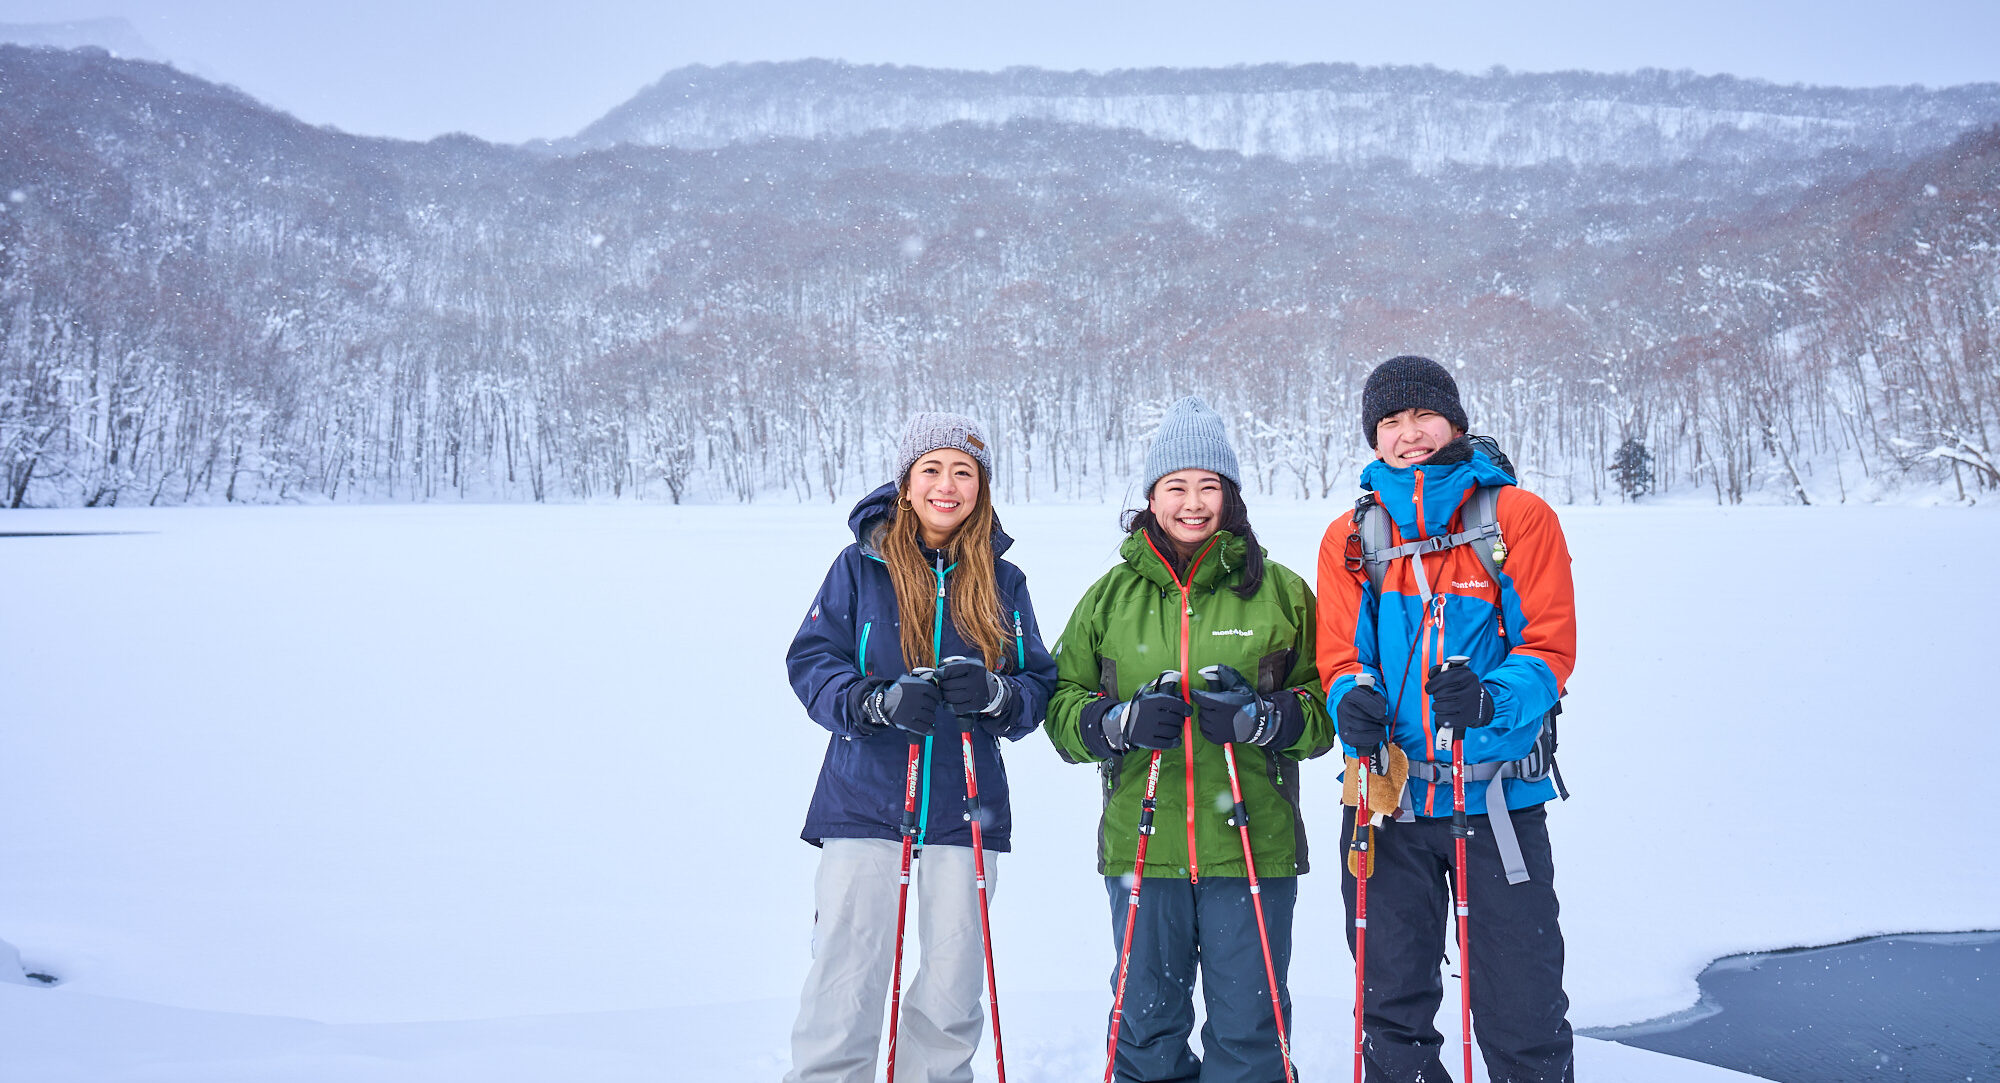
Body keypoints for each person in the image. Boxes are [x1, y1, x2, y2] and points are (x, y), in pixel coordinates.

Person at [1045, 396, 1335, 1083]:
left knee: (1251, 1030)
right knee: (1145, 1029)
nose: (1193, 502)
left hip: (1252, 846)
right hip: (1143, 848)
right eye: (1176, 486)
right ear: (1152, 497)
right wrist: (1116, 724)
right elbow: (1060, 707)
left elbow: (1328, 707)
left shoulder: (1282, 592)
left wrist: (1263, 718)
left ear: (1229, 495)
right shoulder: (1108, 599)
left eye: (1209, 486)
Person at [1316, 355, 1578, 1082]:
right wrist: (1352, 700)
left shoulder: (1518, 518)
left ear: (1454, 422)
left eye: (1421, 416)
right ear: (1374, 438)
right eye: (1391, 422)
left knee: (1520, 1008)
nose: (1409, 434)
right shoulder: (1351, 535)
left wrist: (1491, 699)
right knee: (1391, 1007)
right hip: (1386, 803)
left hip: (1496, 803)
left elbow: (1548, 647)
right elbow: (1340, 654)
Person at [783, 413, 1058, 1083]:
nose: (947, 485)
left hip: (966, 809)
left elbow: (1037, 685)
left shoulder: (1004, 579)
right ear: (906, 484)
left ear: (980, 488)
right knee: (846, 978)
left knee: (951, 986)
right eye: (931, 469)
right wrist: (876, 701)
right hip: (865, 800)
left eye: (963, 471)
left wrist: (994, 694)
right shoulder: (858, 568)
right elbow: (813, 662)